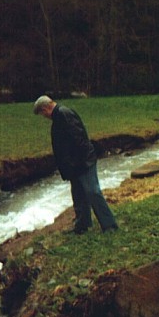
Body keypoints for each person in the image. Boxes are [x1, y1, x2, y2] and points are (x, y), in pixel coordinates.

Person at [33, 95, 119, 234]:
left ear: (45, 109)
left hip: (83, 162)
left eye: (42, 114)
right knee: (79, 194)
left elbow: (79, 139)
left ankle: (110, 226)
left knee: (93, 191)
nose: (44, 117)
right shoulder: (60, 115)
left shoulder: (63, 114)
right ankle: (82, 226)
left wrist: (79, 162)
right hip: (76, 164)